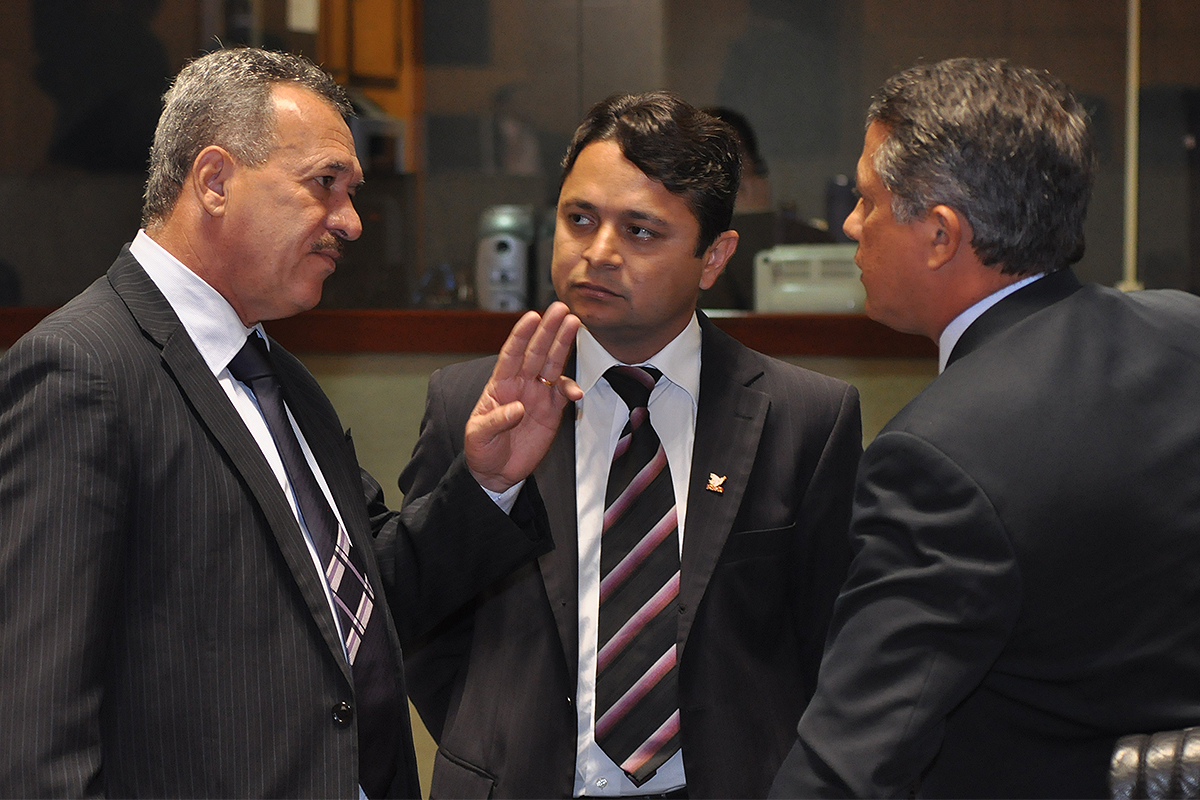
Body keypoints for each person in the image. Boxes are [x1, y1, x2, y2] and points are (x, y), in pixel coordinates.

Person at [0, 47, 583, 798]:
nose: (351, 221)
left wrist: (488, 484)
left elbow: (365, 598)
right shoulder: (81, 371)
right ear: (214, 180)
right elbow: (33, 726)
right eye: (324, 185)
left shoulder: (277, 373)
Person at [400, 91, 863, 799]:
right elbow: (415, 621)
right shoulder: (471, 404)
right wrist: (490, 743)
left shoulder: (804, 418)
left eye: (641, 232)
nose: (599, 253)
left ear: (714, 258)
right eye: (578, 219)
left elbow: (830, 654)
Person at [769, 57, 1200, 799]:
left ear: (940, 236)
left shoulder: (937, 457)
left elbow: (852, 760)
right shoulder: (1186, 330)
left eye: (868, 201)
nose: (848, 224)